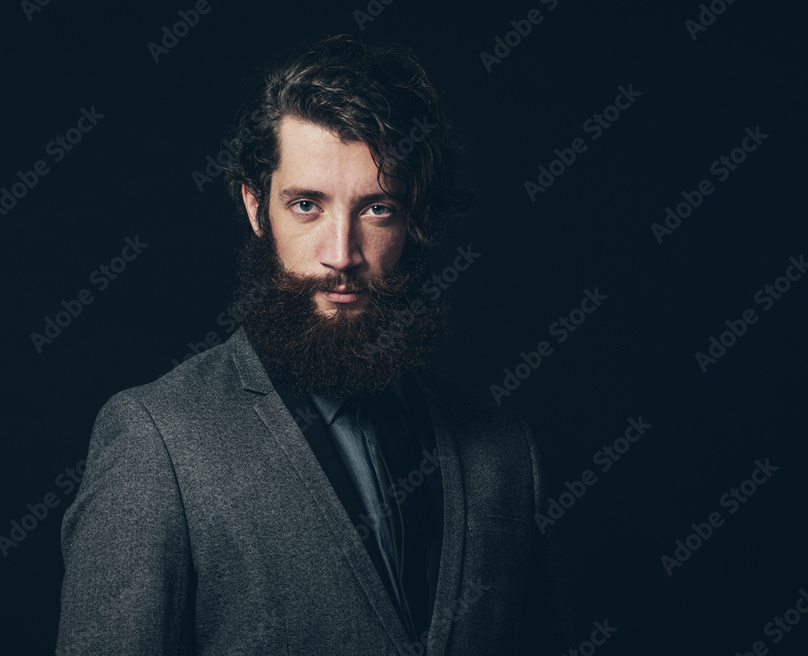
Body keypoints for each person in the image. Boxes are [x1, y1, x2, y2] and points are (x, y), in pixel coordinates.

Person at [56, 34, 570, 655]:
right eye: (306, 205)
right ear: (255, 207)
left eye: (377, 209)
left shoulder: (504, 452)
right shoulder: (156, 443)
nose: (341, 254)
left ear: (416, 220)